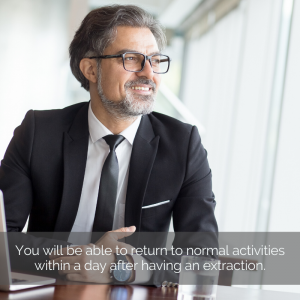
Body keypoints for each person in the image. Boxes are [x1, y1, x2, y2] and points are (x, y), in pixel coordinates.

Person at [0, 5, 218, 286]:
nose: (148, 74)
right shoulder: (38, 133)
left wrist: (122, 267)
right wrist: (82, 258)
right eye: (131, 59)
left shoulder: (184, 145)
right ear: (90, 68)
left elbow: (203, 260)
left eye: (154, 60)